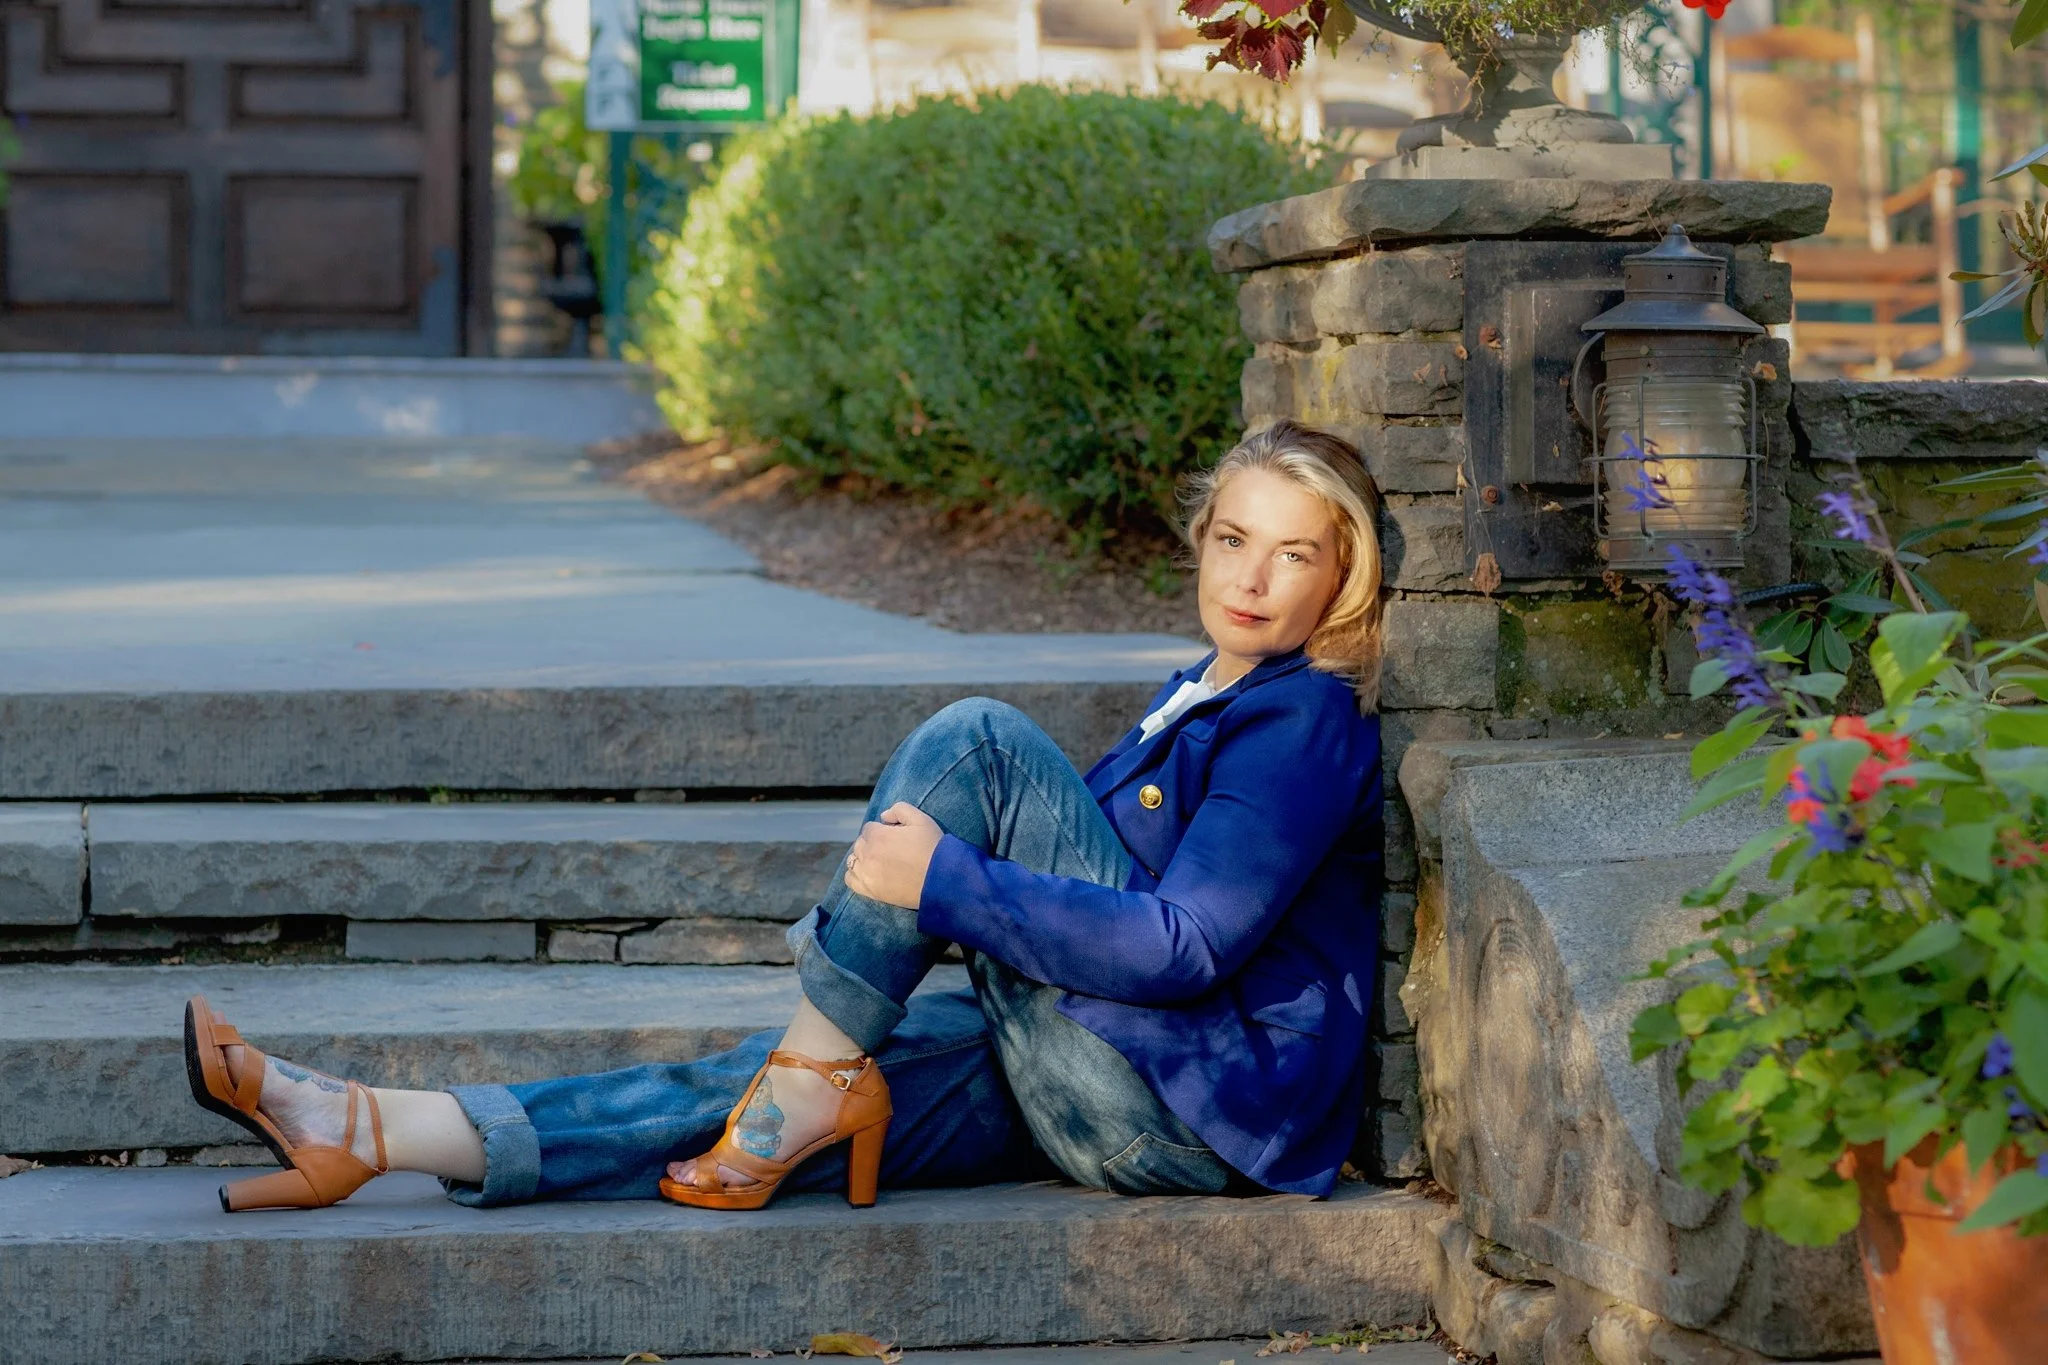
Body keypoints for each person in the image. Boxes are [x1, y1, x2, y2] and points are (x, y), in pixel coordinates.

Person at [181, 419, 1388, 1213]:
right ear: (1198, 540)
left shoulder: (1303, 719)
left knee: (977, 743)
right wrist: (952, 902)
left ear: (1343, 579)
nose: (1250, 576)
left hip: (1186, 1110)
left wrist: (946, 886)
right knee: (760, 1091)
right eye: (1232, 539)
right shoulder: (1204, 692)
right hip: (1111, 1078)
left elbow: (1182, 946)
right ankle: (370, 1129)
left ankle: (816, 1066)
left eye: (1293, 555)